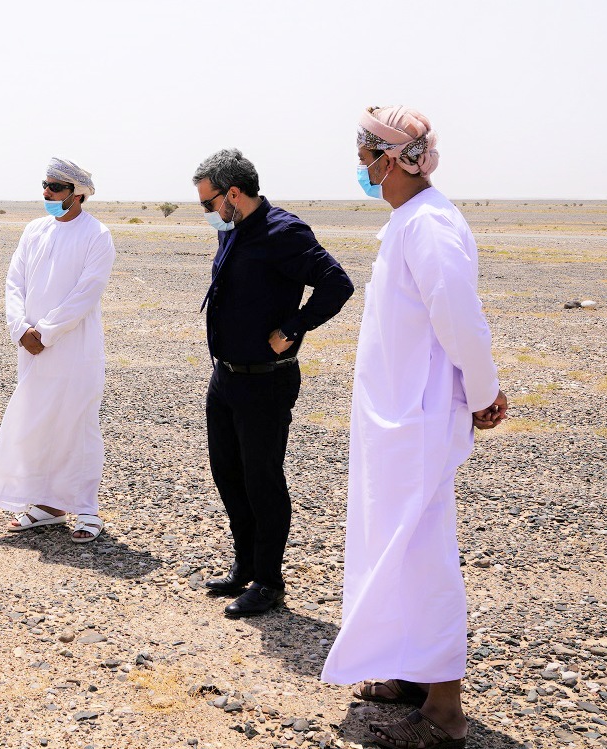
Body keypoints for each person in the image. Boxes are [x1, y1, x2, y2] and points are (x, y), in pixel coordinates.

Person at [321, 106, 509, 749]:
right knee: (390, 545)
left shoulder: (429, 226)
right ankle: (405, 673)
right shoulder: (405, 223)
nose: (360, 166)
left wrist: (484, 392)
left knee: (424, 554)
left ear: (394, 160)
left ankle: (446, 704)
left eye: (366, 153)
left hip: (418, 418)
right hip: (392, 417)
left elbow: (460, 317)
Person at [193, 149, 354, 617]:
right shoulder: (234, 229)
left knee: (262, 479)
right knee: (228, 473)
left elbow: (336, 283)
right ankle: (244, 565)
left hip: (265, 381)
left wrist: (293, 328)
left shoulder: (284, 232)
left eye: (208, 204)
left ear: (234, 194)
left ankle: (268, 581)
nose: (207, 213)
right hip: (225, 376)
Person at [0, 158, 116, 543]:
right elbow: (13, 282)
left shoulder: (97, 234)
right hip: (31, 346)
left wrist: (48, 331)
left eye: (56, 187)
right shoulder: (33, 230)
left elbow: (87, 291)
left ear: (78, 193)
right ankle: (47, 505)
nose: (47, 193)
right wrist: (20, 327)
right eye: (45, 185)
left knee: (77, 424)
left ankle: (87, 510)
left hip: (75, 347)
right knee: (37, 422)